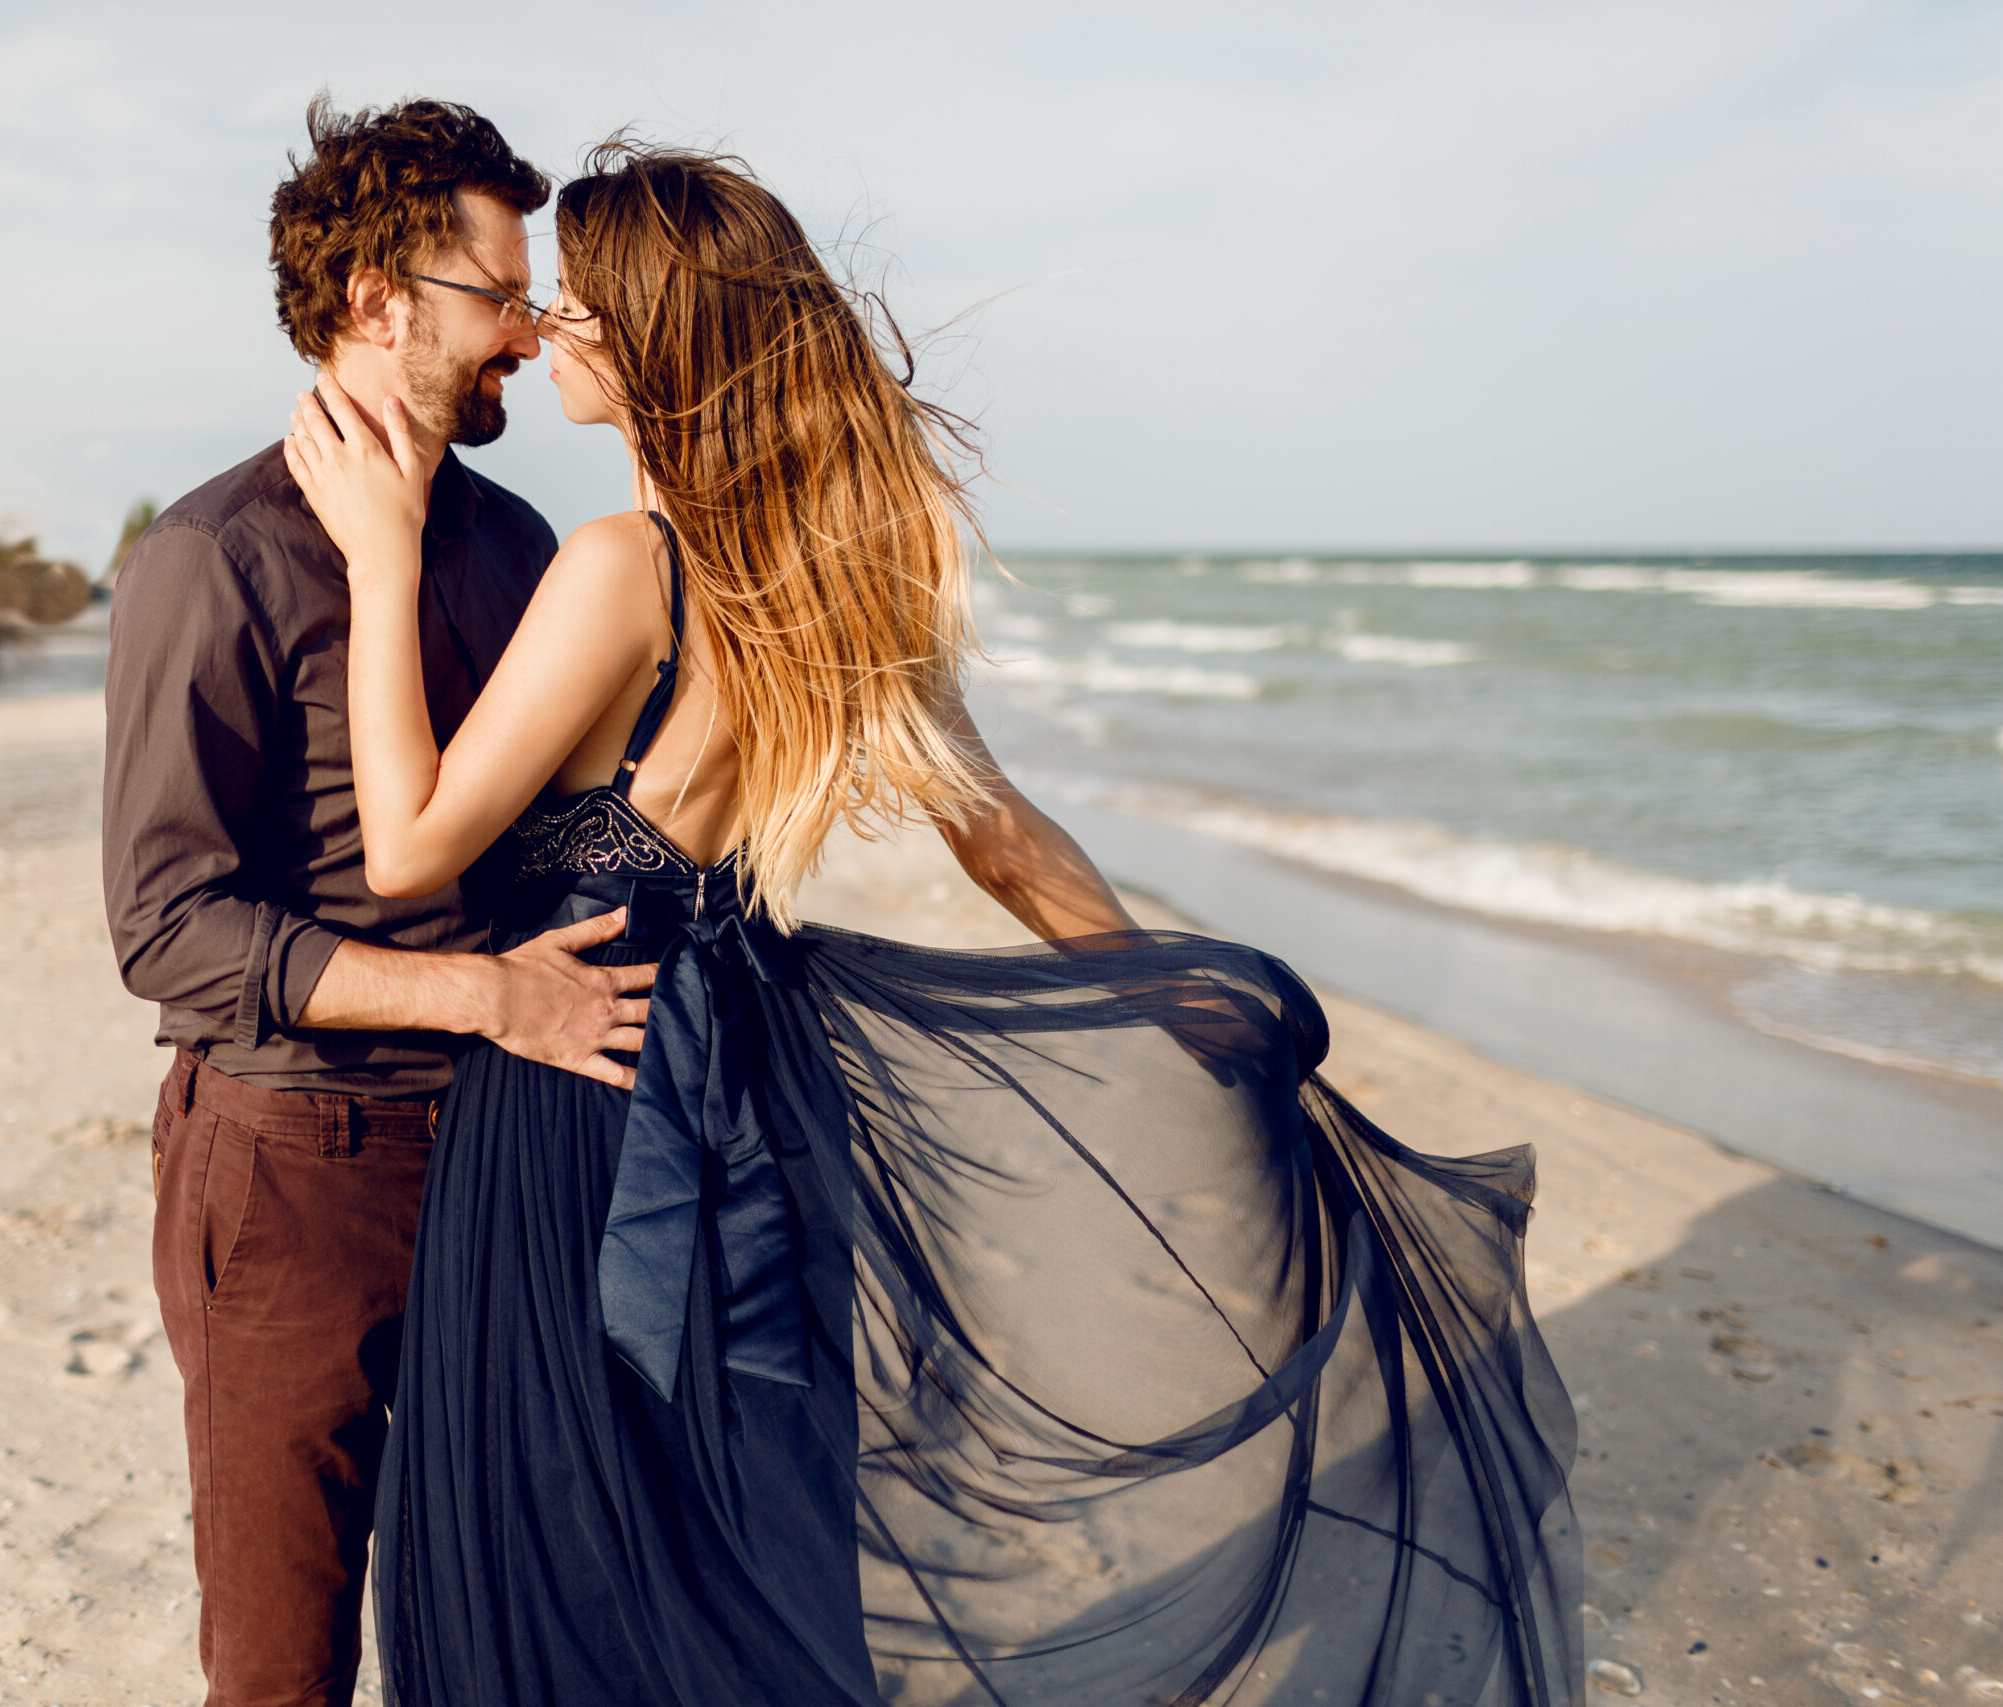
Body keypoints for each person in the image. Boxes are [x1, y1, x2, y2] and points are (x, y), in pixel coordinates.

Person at [286, 142, 1585, 1707]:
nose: (544, 330)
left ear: (651, 341)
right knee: (731, 1506)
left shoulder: (622, 569)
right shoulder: (822, 578)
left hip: (580, 1091)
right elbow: (1007, 842)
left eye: (575, 306)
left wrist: (380, 555)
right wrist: (1164, 996)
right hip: (750, 1085)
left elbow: (417, 846)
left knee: (568, 1527)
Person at [100, 99, 659, 1707]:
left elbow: (561, 837)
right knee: (284, 1663)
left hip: (510, 1148)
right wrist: (485, 993)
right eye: (502, 295)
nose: (531, 332)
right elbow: (168, 928)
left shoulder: (521, 544)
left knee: (513, 1617)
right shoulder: (210, 558)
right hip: (292, 1174)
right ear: (376, 300)